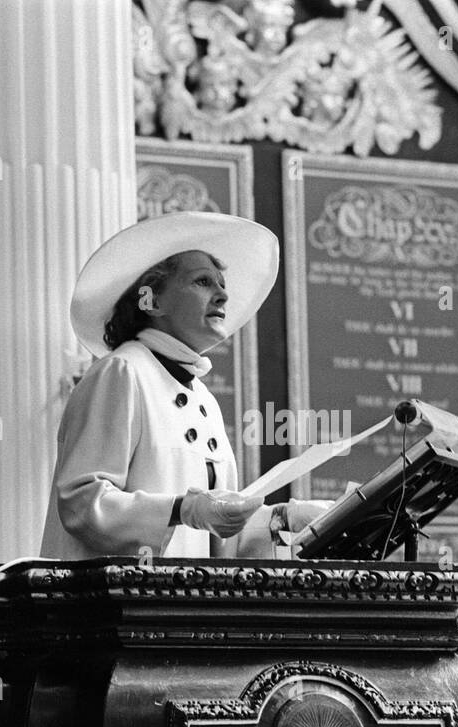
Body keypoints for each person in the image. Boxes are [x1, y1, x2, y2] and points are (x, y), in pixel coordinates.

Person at [40, 212, 328, 559]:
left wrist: (281, 519)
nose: (222, 295)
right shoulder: (122, 372)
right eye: (203, 282)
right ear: (153, 301)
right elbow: (83, 502)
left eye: (222, 284)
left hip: (185, 605)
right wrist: (182, 509)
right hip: (120, 606)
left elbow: (219, 538)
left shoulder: (202, 397)